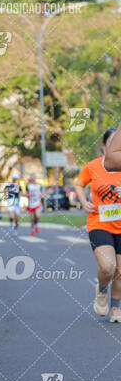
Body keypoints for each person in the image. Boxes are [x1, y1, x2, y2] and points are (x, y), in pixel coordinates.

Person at [75, 127, 121, 322]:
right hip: (99, 223)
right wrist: (84, 201)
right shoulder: (93, 166)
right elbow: (78, 183)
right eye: (112, 143)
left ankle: (116, 308)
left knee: (120, 271)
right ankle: (102, 289)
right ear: (104, 145)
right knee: (108, 266)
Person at [5, 172, 22, 236]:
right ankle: (11, 224)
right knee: (12, 216)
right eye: (14, 178)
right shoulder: (8, 186)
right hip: (10, 203)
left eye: (16, 179)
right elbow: (6, 194)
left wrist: (19, 201)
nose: (15, 180)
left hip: (16, 203)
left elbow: (20, 194)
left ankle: (15, 230)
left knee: (17, 219)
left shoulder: (18, 186)